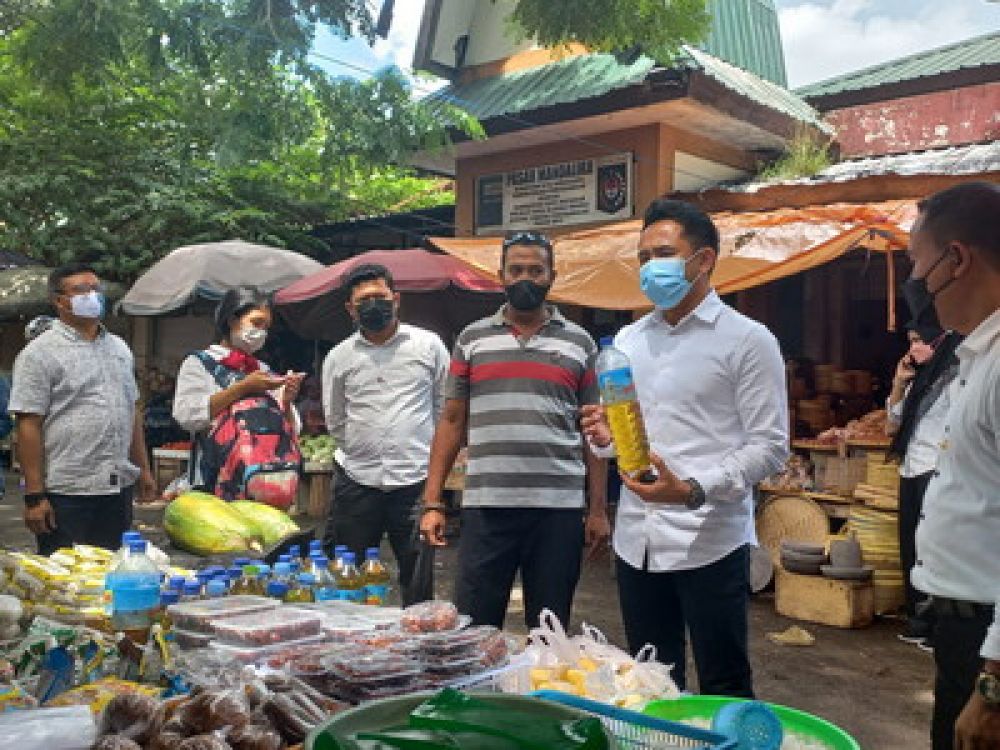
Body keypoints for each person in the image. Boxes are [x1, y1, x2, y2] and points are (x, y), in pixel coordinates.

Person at [581, 199, 788, 698]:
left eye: (665, 253)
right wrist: (608, 441)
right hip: (637, 541)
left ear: (704, 261)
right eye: (644, 256)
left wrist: (693, 488)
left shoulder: (747, 340)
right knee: (652, 680)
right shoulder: (628, 339)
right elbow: (627, 438)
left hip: (710, 539)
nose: (652, 267)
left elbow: (770, 446)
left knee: (724, 683)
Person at [420, 232, 610, 630]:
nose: (526, 278)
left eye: (536, 270)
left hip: (557, 510)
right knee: (474, 626)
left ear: (552, 276)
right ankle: (477, 694)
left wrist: (596, 509)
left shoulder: (580, 342)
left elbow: (595, 430)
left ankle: (537, 695)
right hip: (488, 507)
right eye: (517, 269)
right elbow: (452, 421)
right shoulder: (472, 339)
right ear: (501, 275)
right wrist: (433, 502)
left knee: (550, 627)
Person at [903, 182, 1000, 750]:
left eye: (917, 260)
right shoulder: (975, 354)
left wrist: (993, 684)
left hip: (985, 637)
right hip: (965, 630)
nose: (913, 281)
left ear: (956, 258)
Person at [321, 264, 450, 605]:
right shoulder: (339, 357)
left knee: (418, 577)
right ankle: (353, 647)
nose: (373, 305)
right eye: (364, 300)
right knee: (349, 576)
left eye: (380, 297)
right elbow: (335, 418)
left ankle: (419, 644)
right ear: (351, 308)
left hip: (415, 482)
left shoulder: (429, 346)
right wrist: (363, 449)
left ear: (396, 299)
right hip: (357, 481)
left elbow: (444, 408)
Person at [9, 263, 156, 555]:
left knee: (111, 576)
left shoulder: (119, 348)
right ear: (58, 301)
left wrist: (144, 471)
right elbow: (28, 424)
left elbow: (131, 411)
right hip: (67, 491)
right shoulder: (38, 354)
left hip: (116, 488)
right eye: (79, 290)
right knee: (65, 584)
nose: (91, 296)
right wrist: (34, 496)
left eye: (95, 289)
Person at [173, 287, 304, 506]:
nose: (262, 332)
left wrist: (287, 401)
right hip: (213, 484)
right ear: (232, 320)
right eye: (256, 322)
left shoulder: (264, 369)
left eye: (266, 327)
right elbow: (187, 416)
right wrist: (242, 388)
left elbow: (292, 431)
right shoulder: (200, 363)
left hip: (263, 484)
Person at [886, 318, 961, 651]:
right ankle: (918, 622)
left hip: (937, 470)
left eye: (920, 340)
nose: (913, 347)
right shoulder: (917, 380)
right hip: (910, 469)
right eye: (910, 340)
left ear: (939, 342)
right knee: (911, 547)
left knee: (934, 549)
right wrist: (899, 383)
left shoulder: (954, 379)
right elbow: (892, 426)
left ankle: (939, 628)